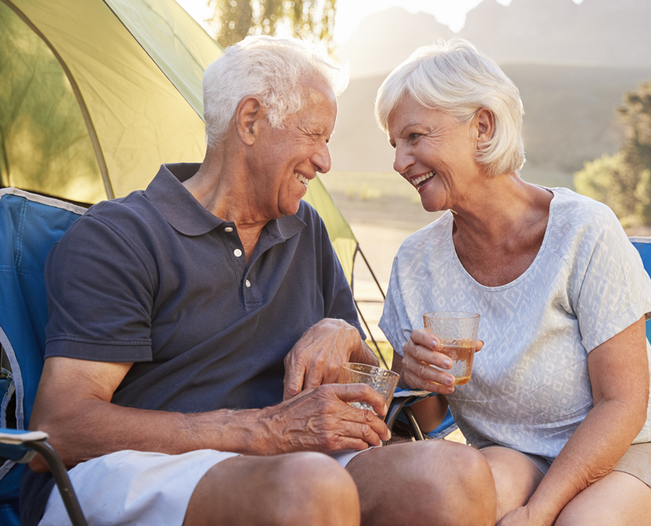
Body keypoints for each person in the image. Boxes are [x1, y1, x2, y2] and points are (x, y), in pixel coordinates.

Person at [21, 36, 495, 526]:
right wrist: (265, 430)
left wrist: (346, 335)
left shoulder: (304, 230)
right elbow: (60, 429)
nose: (325, 160)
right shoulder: (121, 235)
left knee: (455, 474)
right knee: (310, 488)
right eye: (314, 135)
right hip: (135, 467)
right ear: (249, 120)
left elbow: (363, 384)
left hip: (289, 460)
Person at [375, 38, 651, 526]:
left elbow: (623, 403)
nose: (400, 162)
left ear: (481, 126)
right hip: (516, 454)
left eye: (416, 137)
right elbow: (425, 423)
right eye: (395, 145)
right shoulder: (415, 262)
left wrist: (538, 511)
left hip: (635, 447)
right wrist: (416, 382)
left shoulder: (582, 230)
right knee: (445, 501)